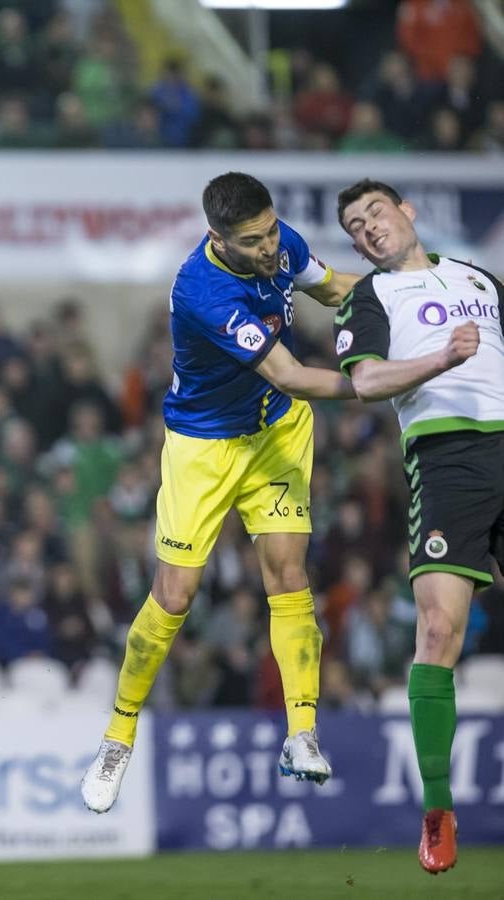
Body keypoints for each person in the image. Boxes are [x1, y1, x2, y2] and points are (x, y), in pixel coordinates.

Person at [80, 172, 360, 814]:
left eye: (270, 231)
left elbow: (335, 286)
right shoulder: (201, 289)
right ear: (218, 238)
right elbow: (290, 372)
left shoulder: (280, 241)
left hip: (277, 430)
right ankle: (118, 736)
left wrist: (414, 290)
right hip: (205, 446)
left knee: (288, 574)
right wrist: (376, 382)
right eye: (253, 241)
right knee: (174, 595)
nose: (269, 249)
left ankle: (301, 733)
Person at [334, 177, 504, 875]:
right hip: (445, 459)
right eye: (353, 225)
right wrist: (442, 357)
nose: (367, 227)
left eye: (376, 211)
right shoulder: (370, 297)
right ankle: (438, 811)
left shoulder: (482, 278)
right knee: (438, 632)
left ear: (407, 212)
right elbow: (365, 382)